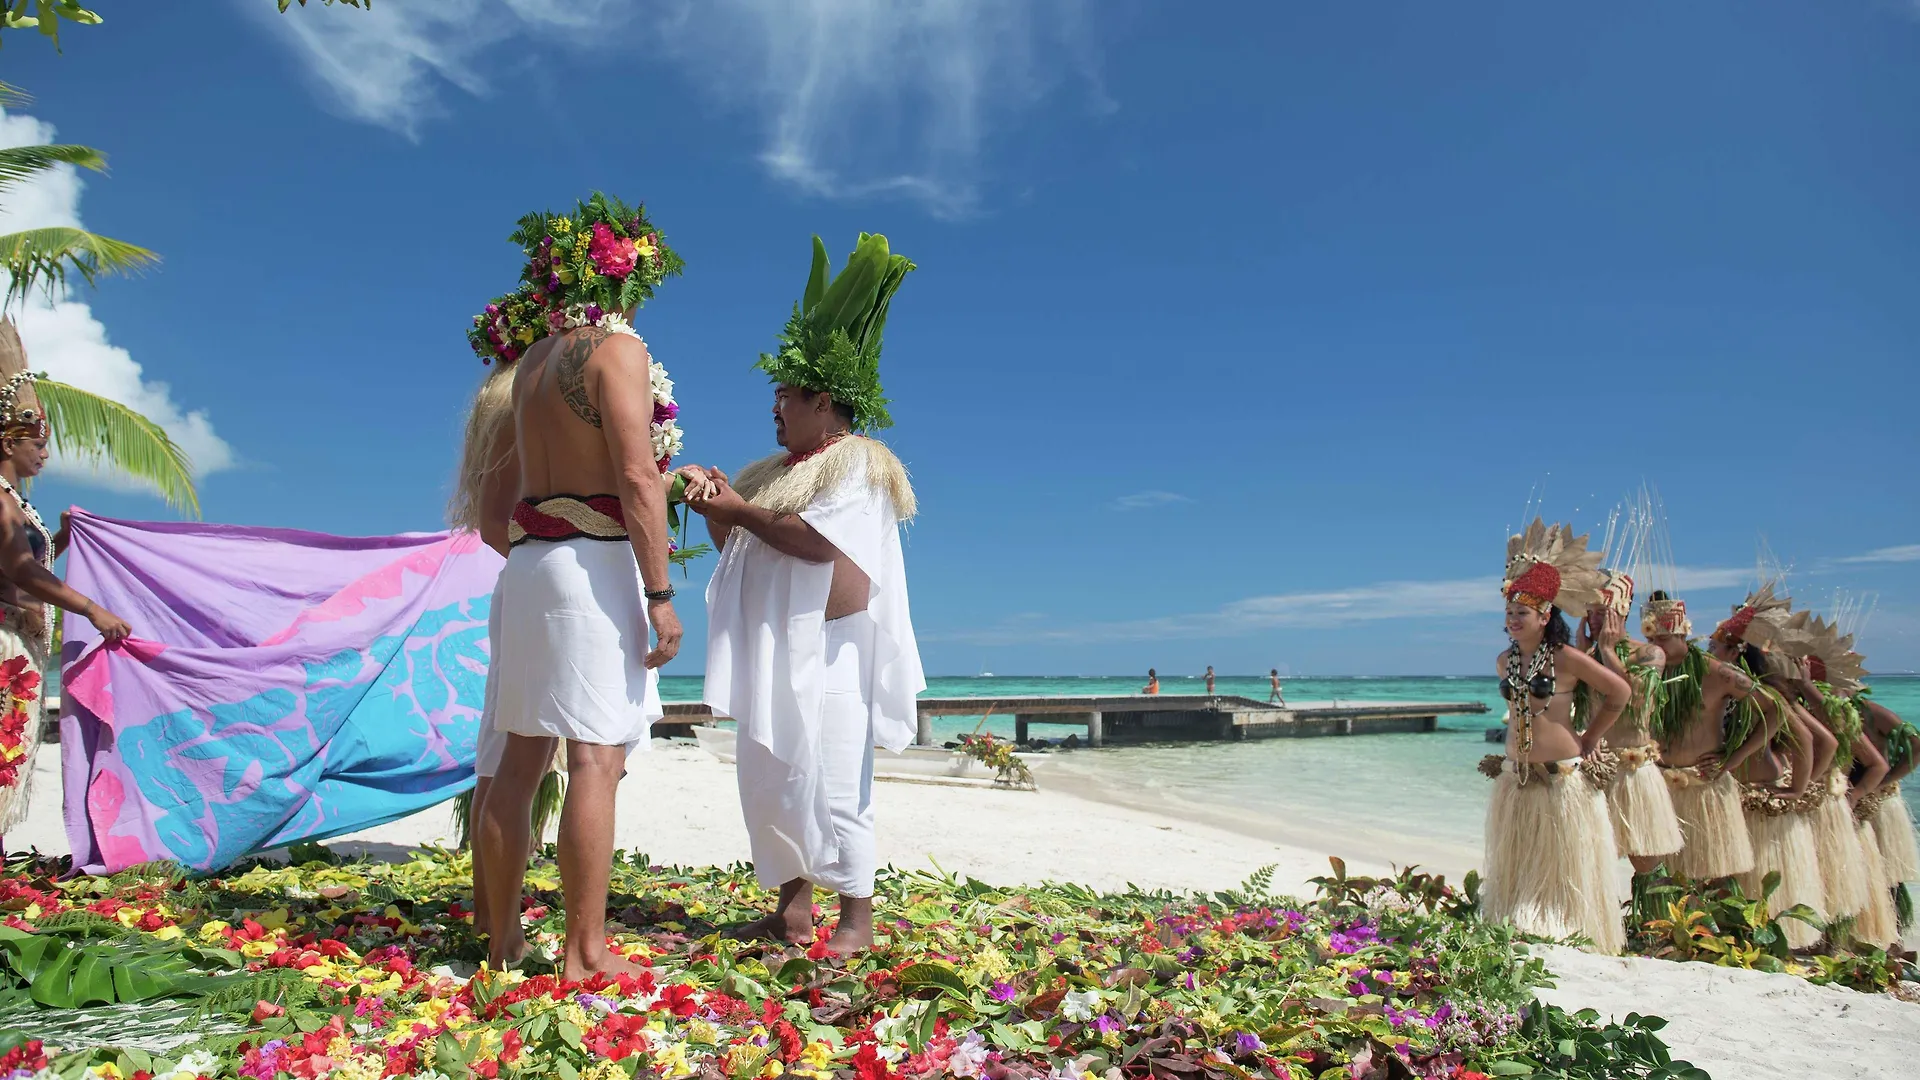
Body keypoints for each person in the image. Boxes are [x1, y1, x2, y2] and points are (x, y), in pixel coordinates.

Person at [690, 232, 923, 956]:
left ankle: (857, 920)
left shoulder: (858, 463)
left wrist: (736, 508)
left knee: (832, 781)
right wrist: (716, 506)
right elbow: (745, 550)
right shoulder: (773, 469)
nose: (776, 409)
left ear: (824, 401)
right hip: (779, 643)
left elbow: (822, 543)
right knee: (775, 776)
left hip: (834, 650)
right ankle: (792, 913)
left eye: (785, 397)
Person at [475, 195, 685, 978]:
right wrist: (659, 592)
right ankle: (585, 952)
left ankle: (502, 944)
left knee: (520, 760)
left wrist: (540, 547)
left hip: (528, 565)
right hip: (591, 564)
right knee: (595, 758)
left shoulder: (527, 367)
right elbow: (636, 473)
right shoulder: (616, 352)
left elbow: (493, 509)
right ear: (629, 279)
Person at [1479, 520, 1631, 954]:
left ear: (1545, 617)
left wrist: (1591, 739)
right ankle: (1524, 924)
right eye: (1509, 613)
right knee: (1522, 864)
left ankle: (1567, 931)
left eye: (1521, 613)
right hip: (1518, 778)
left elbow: (1619, 693)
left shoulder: (1566, 659)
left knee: (1565, 867)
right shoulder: (1503, 661)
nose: (1512, 620)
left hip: (1563, 779)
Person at [0, 353, 132, 839]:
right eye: (37, 444)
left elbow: (25, 565)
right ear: (9, 443)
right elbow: (17, 570)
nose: (44, 455)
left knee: (8, 750)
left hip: (19, 642)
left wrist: (60, 539)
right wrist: (91, 608)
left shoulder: (14, 503)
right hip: (4, 639)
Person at [1705, 589, 1826, 949]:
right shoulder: (1731, 688)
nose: (1710, 653)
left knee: (1762, 886)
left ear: (1735, 651)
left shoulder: (1766, 693)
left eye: (1715, 648)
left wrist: (1798, 789)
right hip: (1735, 796)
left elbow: (1813, 741)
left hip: (1760, 796)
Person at [1641, 590, 1776, 883]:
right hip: (1660, 790)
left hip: (1706, 790)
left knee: (1712, 880)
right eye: (1651, 640)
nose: (1655, 647)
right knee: (1661, 882)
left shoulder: (1718, 672)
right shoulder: (1648, 671)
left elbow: (1774, 710)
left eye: (1662, 639)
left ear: (1682, 634)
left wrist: (1733, 758)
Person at [1574, 569, 1681, 878]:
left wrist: (1607, 651)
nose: (1594, 620)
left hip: (1634, 773)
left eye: (1601, 613)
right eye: (1590, 614)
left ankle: (1655, 923)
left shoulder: (1650, 653)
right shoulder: (1585, 656)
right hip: (1595, 766)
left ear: (1621, 612)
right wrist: (1584, 654)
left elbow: (1632, 701)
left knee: (1646, 862)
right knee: (1589, 858)